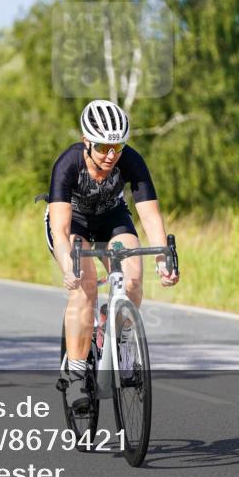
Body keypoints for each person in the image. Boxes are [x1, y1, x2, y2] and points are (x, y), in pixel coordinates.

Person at [45, 100, 179, 411]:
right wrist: (68, 266)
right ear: (86, 141)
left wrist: (163, 260)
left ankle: (121, 342)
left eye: (117, 147)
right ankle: (76, 374)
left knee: (132, 279)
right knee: (86, 285)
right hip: (74, 223)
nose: (110, 155)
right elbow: (60, 230)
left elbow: (150, 217)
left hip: (111, 220)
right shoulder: (67, 164)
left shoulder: (130, 159)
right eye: (103, 147)